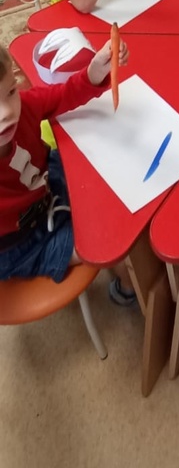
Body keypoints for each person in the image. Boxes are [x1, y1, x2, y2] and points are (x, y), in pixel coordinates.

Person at [0, 37, 135, 303]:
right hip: (22, 246)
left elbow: (63, 94)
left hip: (45, 188)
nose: (6, 112)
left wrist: (94, 72)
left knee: (106, 179)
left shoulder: (24, 107)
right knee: (111, 243)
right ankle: (126, 290)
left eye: (10, 92)